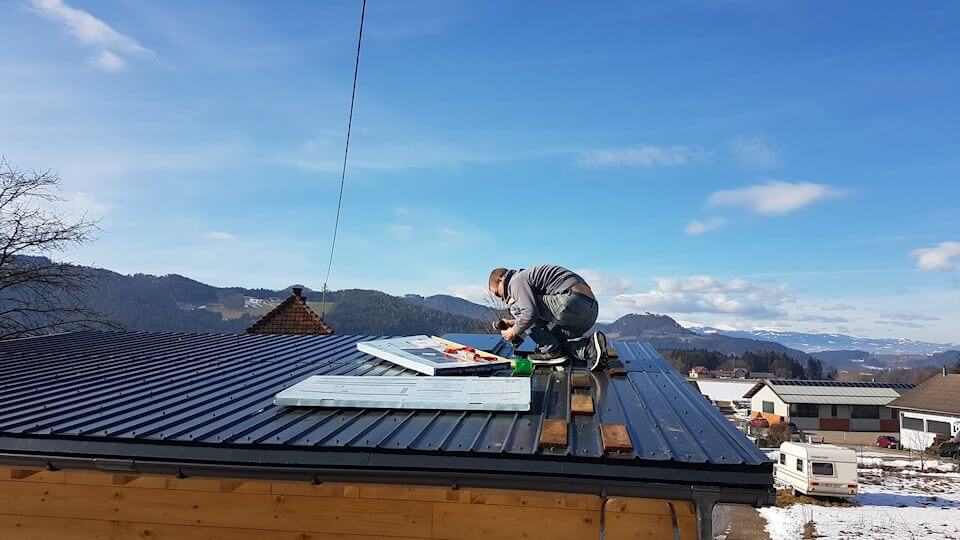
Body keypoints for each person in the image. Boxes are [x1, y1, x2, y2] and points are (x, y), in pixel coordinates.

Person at [488, 265, 608, 370]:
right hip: (589, 310)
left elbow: (530, 313)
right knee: (555, 343)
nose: (502, 298)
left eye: (497, 293)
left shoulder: (516, 281)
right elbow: (537, 314)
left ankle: (550, 351)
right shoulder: (526, 279)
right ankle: (589, 347)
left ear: (500, 279)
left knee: (515, 306)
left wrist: (513, 332)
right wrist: (514, 323)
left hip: (572, 300)